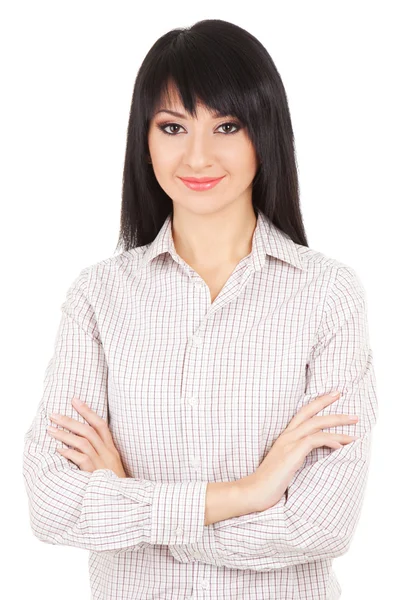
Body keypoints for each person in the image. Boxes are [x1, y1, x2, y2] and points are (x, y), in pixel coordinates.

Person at [22, 18, 378, 600]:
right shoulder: (99, 298)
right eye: (172, 126)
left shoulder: (327, 296)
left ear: (264, 134)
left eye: (227, 125)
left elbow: (319, 526)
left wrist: (129, 496)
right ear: (145, 138)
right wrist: (250, 493)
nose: (197, 155)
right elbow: (54, 507)